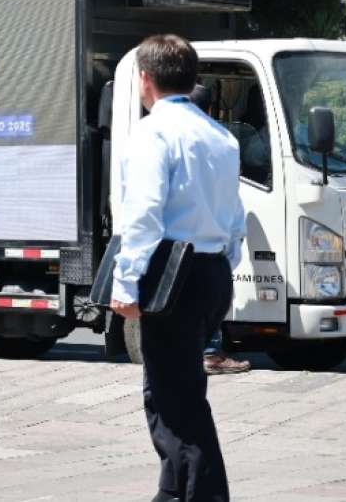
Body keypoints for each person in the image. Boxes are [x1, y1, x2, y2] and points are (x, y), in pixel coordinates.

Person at [111, 35, 247, 502]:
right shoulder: (220, 136)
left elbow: (144, 215)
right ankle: (179, 492)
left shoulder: (153, 134)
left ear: (145, 79)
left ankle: (191, 496)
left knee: (171, 402)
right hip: (210, 274)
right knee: (184, 391)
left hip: (173, 275)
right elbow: (235, 218)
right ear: (191, 80)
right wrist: (222, 267)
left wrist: (126, 281)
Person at [188, 83, 251, 378]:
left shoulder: (172, 137)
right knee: (213, 300)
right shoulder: (223, 140)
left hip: (182, 239)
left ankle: (200, 352)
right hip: (214, 240)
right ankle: (210, 353)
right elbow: (232, 193)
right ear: (211, 109)